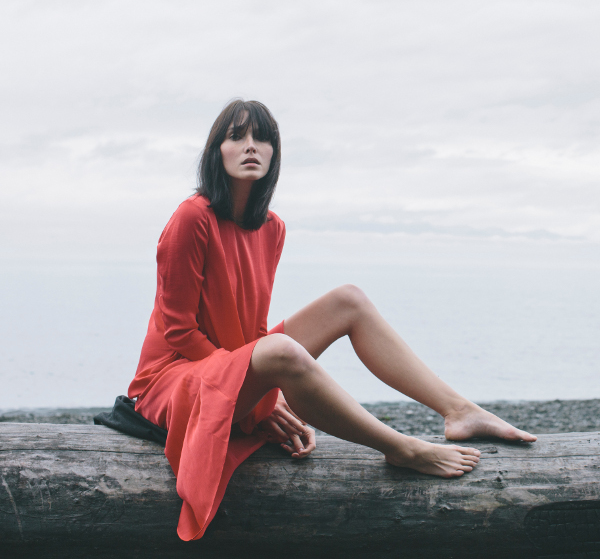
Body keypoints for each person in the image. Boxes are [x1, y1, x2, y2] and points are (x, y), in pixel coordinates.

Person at [128, 99, 536, 541]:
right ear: (216, 151)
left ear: (274, 154)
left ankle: (460, 411)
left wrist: (262, 387)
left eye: (262, 138)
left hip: (231, 364)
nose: (251, 147)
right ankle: (401, 448)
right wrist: (261, 392)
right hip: (174, 381)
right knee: (282, 351)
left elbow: (251, 328)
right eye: (237, 136)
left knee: (349, 299)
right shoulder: (192, 217)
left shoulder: (272, 228)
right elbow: (179, 331)